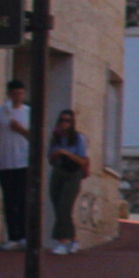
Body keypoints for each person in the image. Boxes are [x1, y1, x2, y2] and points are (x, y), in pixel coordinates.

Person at [0, 79, 32, 248]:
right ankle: (13, 237)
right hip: (4, 162)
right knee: (9, 200)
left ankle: (25, 236)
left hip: (23, 162)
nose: (18, 96)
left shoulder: (29, 113)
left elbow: (36, 137)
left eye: (20, 93)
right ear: (9, 94)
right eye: (14, 93)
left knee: (23, 199)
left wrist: (20, 129)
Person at [48, 107, 90, 255]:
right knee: (57, 205)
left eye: (67, 121)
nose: (64, 123)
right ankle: (73, 239)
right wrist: (54, 155)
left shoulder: (78, 138)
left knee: (64, 207)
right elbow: (50, 159)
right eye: (61, 120)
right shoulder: (56, 137)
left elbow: (83, 160)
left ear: (72, 123)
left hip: (73, 173)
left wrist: (65, 153)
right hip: (58, 171)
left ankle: (62, 241)